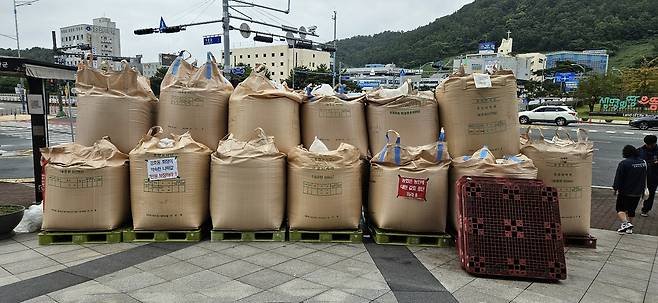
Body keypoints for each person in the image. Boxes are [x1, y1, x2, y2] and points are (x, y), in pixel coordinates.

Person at [613, 145, 647, 234]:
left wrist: (615, 188)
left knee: (620, 209)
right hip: (637, 191)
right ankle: (629, 228)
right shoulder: (643, 163)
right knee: (631, 210)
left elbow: (618, 177)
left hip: (625, 191)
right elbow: (645, 177)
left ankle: (626, 223)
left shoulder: (624, 163)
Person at [637, 135, 658, 216]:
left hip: (654, 176)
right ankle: (630, 207)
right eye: (647, 144)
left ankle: (645, 210)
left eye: (650, 144)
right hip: (642, 175)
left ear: (654, 143)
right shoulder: (640, 150)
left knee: (651, 193)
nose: (648, 146)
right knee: (636, 191)